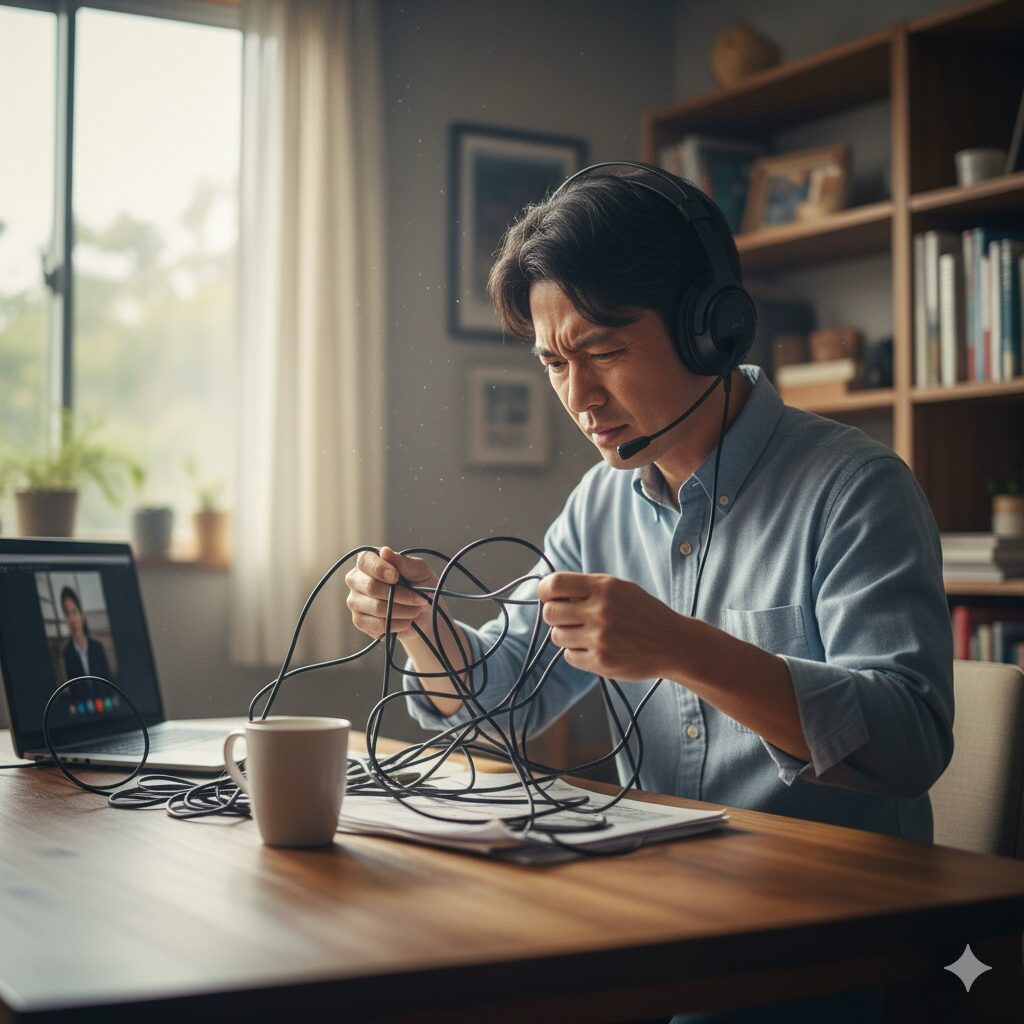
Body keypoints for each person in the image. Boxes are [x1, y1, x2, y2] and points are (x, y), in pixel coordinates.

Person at [343, 165, 953, 1021]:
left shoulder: (856, 489)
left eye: (603, 351)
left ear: (712, 327)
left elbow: (911, 742)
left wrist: (680, 646)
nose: (579, 398)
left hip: (833, 953)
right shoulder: (600, 504)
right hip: (662, 924)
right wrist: (422, 628)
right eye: (556, 362)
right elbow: (504, 703)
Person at [61, 585, 113, 693]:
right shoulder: (67, 652)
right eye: (67, 614)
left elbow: (108, 685)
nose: (72, 619)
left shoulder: (98, 647)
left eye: (74, 612)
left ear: (82, 616)